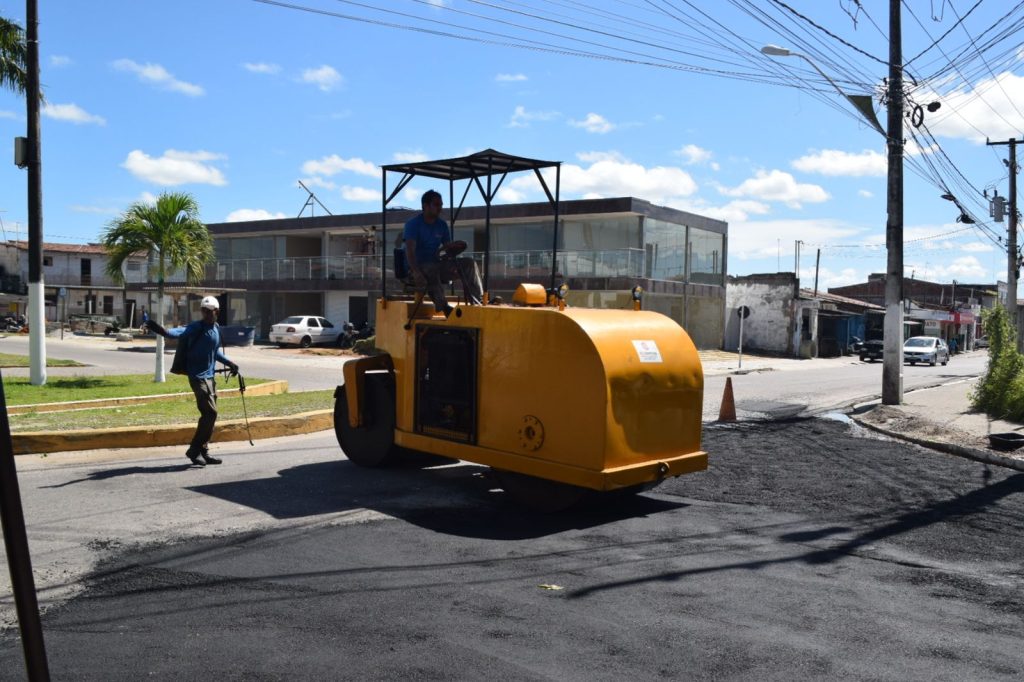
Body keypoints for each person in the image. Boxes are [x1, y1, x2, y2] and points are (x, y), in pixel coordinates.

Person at [146, 296, 238, 467]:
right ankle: (194, 450)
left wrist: (230, 363)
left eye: (208, 311)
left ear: (216, 312)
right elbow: (175, 333)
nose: (205, 313)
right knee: (210, 413)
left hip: (210, 377)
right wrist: (160, 330)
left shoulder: (215, 328)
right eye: (203, 310)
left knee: (209, 417)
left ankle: (204, 451)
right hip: (197, 377)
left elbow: (214, 351)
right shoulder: (196, 327)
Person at [403, 189, 483, 316]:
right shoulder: (413, 224)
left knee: (468, 263)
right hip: (417, 268)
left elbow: (447, 248)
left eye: (441, 205)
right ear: (425, 206)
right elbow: (410, 251)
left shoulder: (442, 225)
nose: (440, 208)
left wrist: (454, 247)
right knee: (431, 268)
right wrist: (416, 272)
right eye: (436, 205)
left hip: (436, 263)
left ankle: (477, 301)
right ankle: (444, 307)